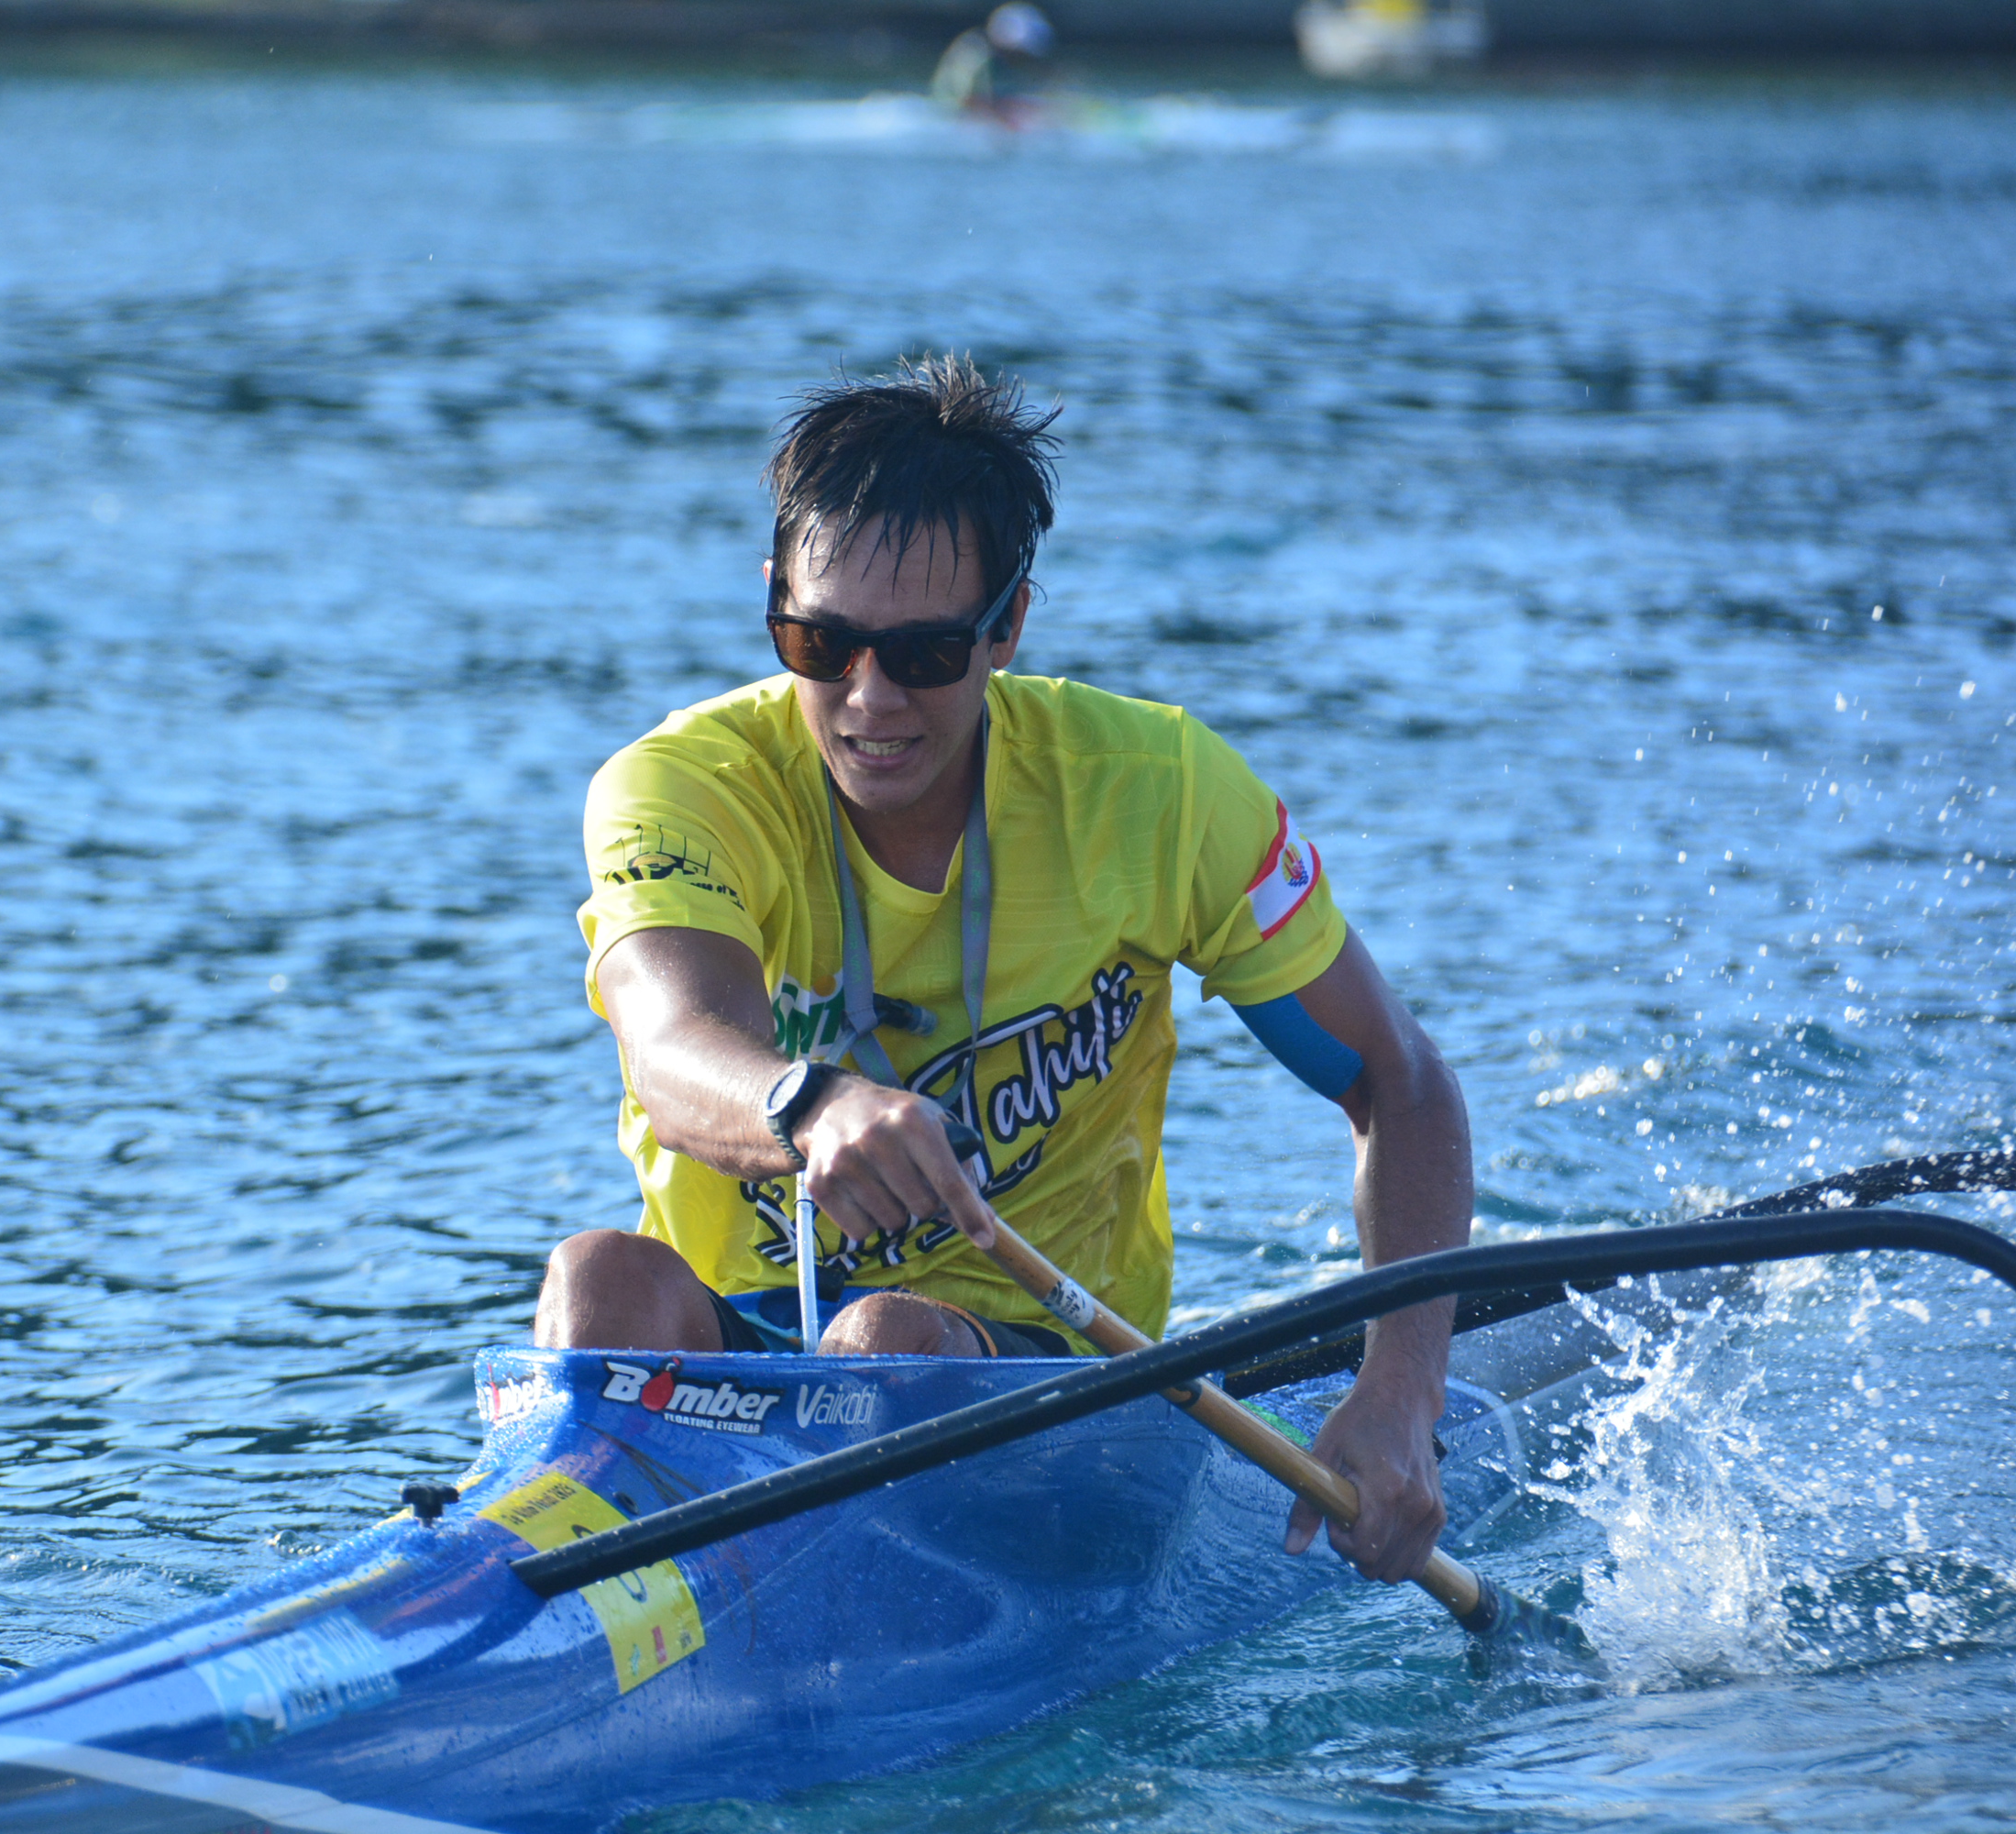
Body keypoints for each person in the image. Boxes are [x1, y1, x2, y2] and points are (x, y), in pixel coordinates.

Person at [534, 358, 1474, 1585]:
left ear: (1009, 626)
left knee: (884, 1345)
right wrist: (808, 1105)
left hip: (1048, 1356)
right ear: (773, 602)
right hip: (754, 1338)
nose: (869, 699)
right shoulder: (677, 788)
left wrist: (1400, 1392)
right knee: (600, 1277)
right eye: (821, 641)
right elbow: (671, 1048)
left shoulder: (1160, 794)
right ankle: (565, 1572)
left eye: (924, 655)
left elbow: (1396, 1083)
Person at [931, 3, 1058, 127]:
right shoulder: (975, 53)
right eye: (1019, 53)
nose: (1021, 60)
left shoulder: (999, 61)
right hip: (952, 121)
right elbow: (964, 100)